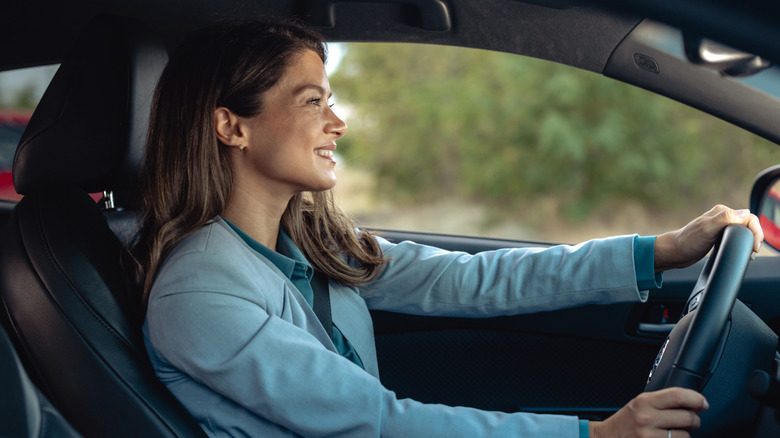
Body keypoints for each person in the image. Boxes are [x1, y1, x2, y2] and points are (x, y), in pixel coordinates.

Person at [133, 19, 764, 438]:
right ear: (231, 127)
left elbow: (475, 279)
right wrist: (595, 434)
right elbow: (374, 421)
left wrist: (661, 251)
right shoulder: (200, 291)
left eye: (329, 99)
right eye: (311, 101)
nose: (337, 122)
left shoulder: (306, 245)